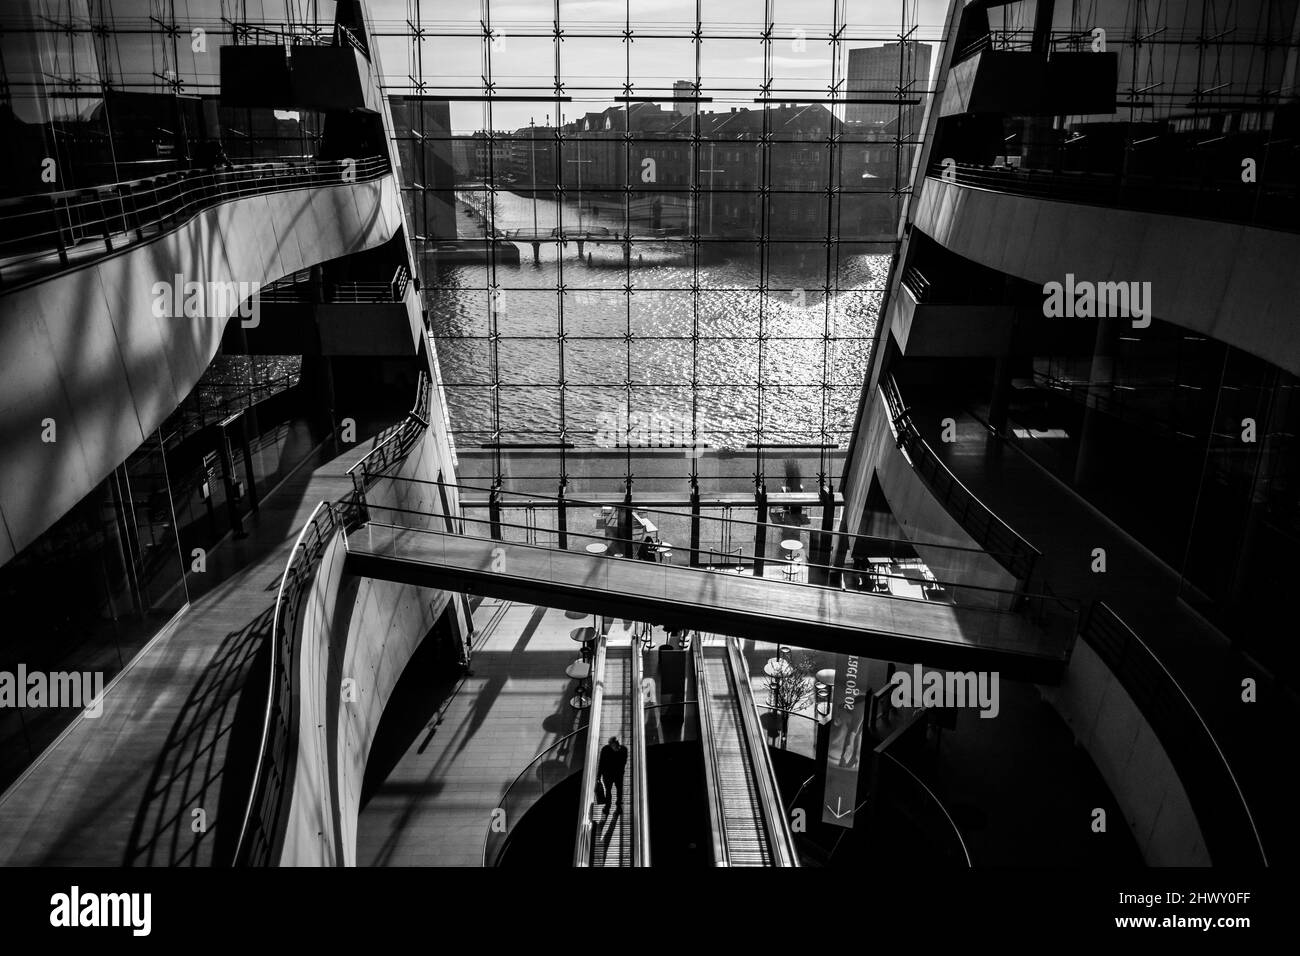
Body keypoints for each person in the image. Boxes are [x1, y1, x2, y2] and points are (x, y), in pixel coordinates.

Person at [597, 736, 627, 815]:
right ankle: (608, 807)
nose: (617, 745)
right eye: (615, 744)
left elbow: (623, 763)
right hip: (609, 776)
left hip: (616, 775)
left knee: (618, 791)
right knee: (609, 791)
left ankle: (616, 807)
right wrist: (598, 776)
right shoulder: (605, 750)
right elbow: (601, 763)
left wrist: (599, 776)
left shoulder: (623, 750)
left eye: (617, 743)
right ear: (611, 745)